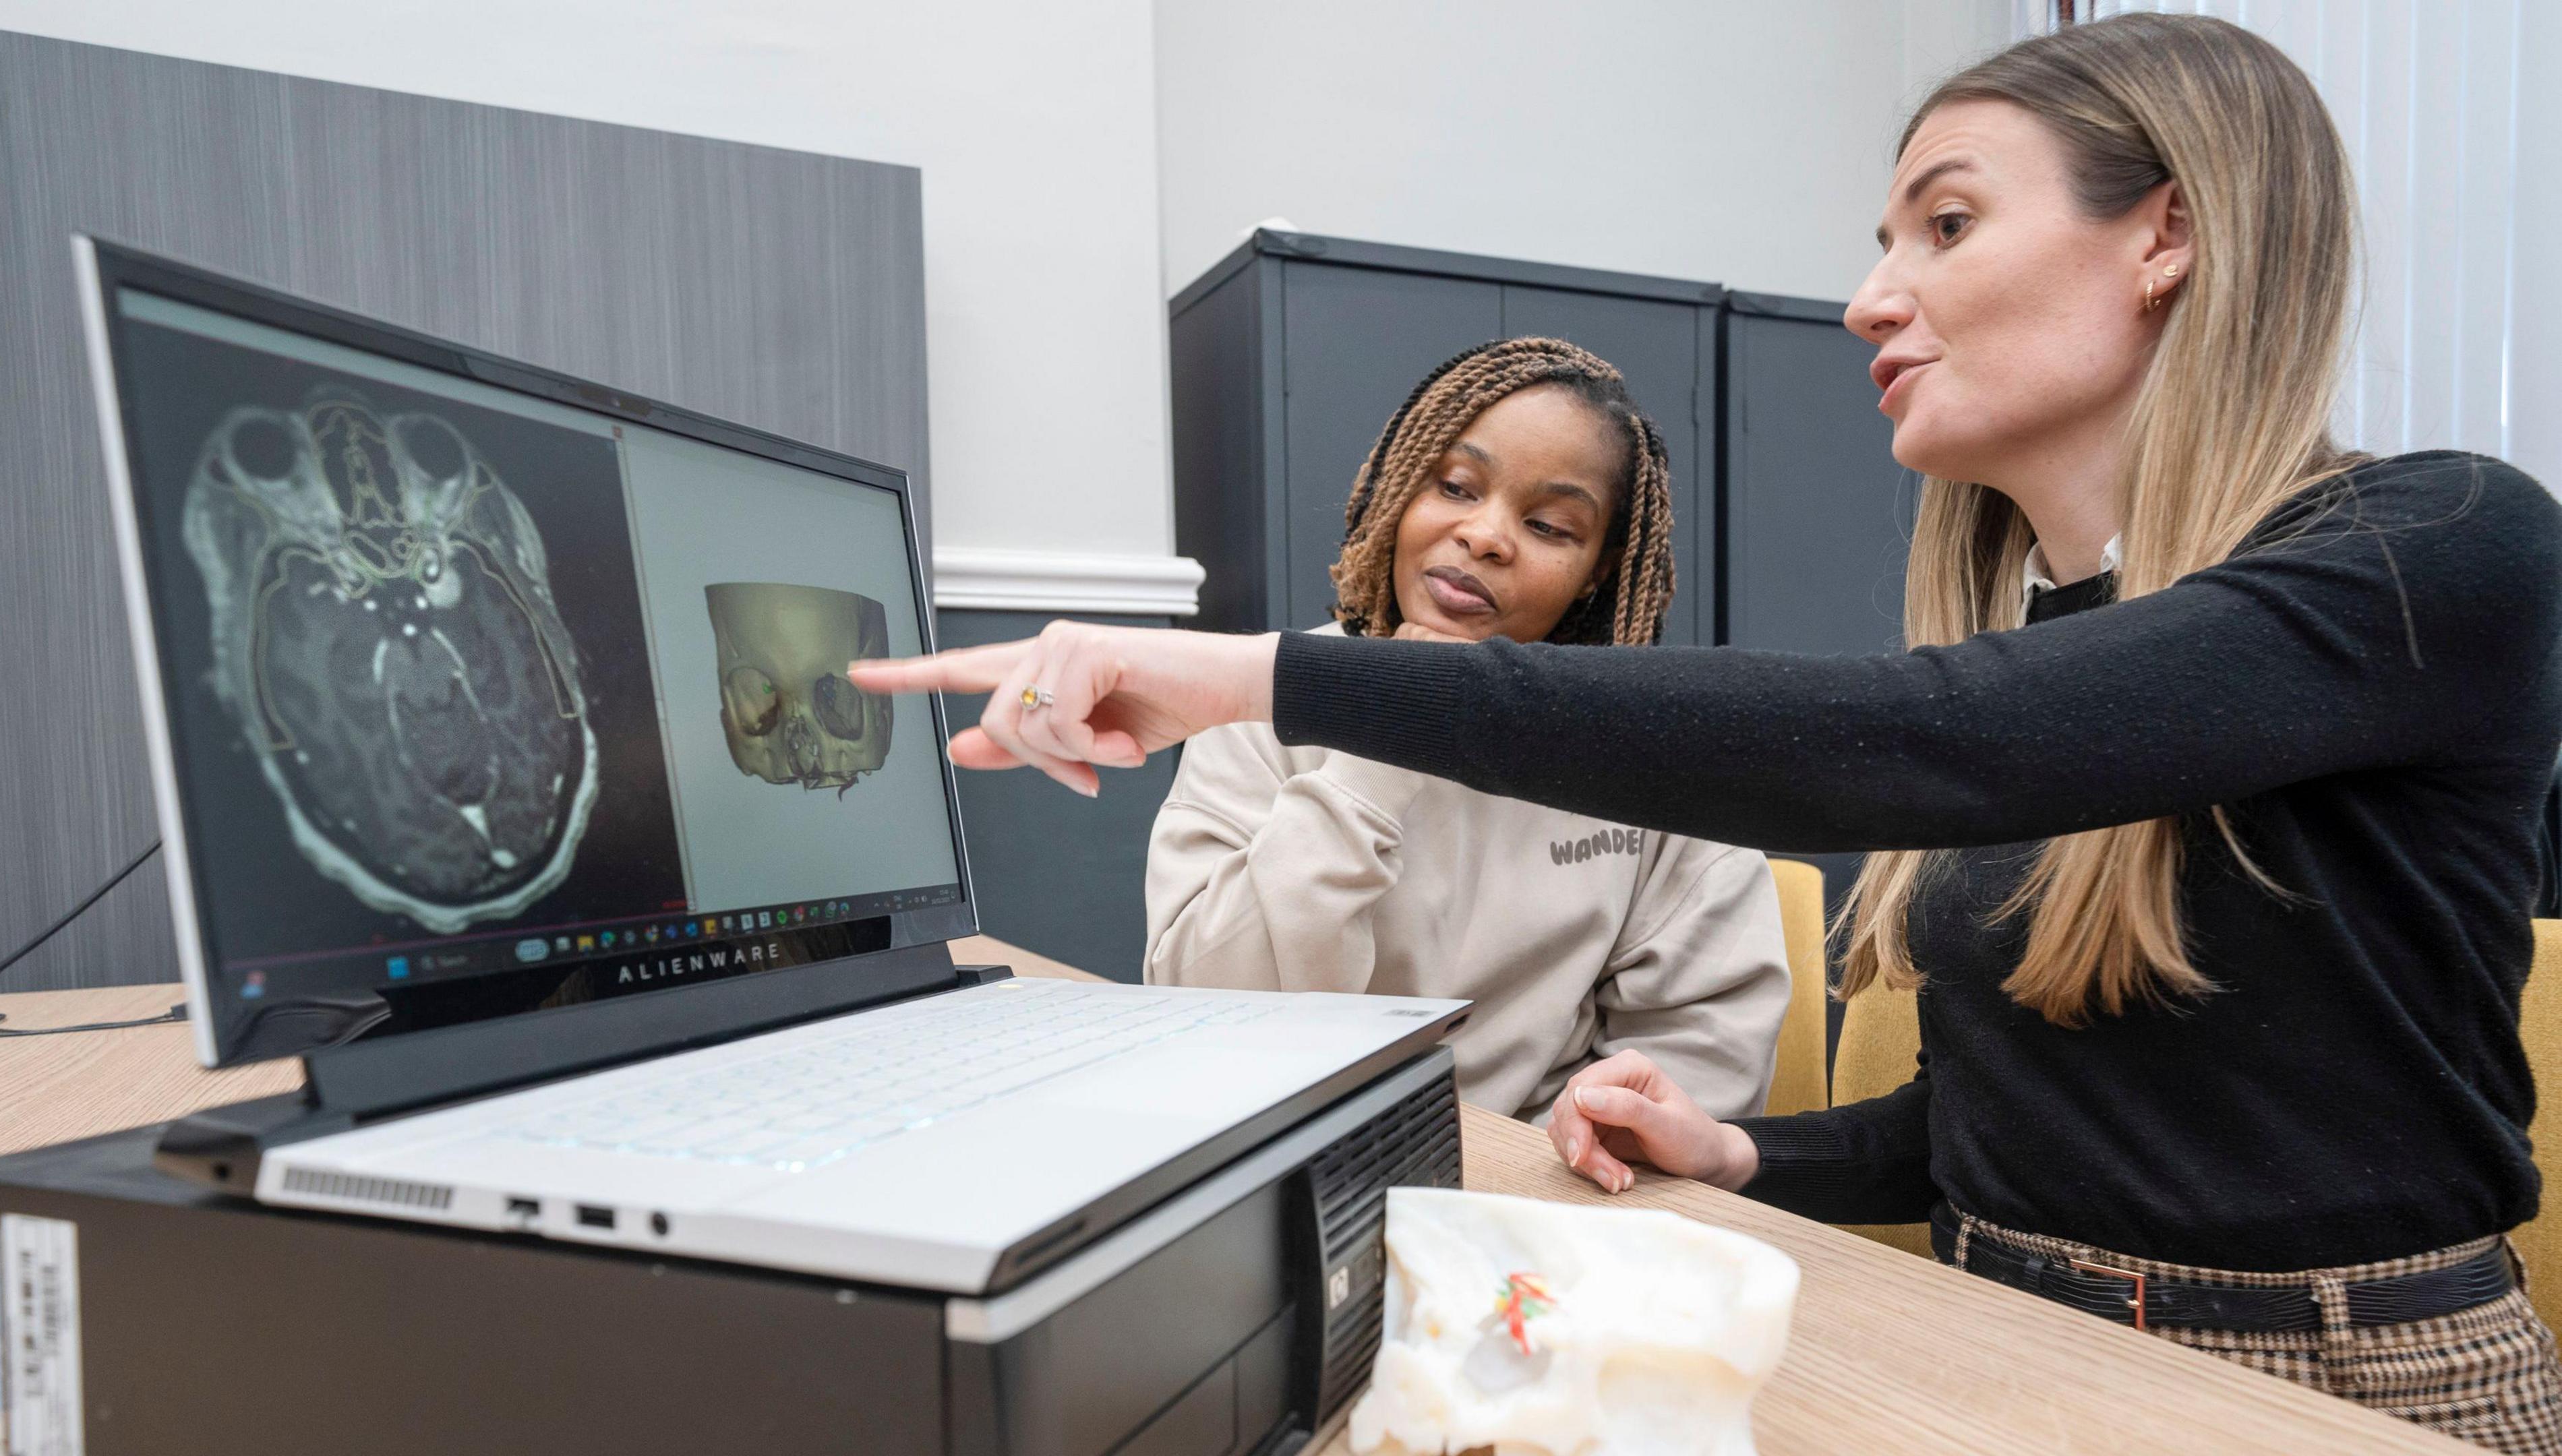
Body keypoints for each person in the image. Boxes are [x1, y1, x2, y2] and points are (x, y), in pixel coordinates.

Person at [854, 13, 2562, 1450]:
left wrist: (1263, 673)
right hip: (1991, 1318)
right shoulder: (2038, 640)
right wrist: (1747, 1150)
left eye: (1941, 226)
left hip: (2340, 1377)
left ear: (2165, 233)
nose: (1868, 300)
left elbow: (1927, 744)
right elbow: (2016, 1135)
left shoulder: (2439, 543)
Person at [1143, 338, 1789, 1122]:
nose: (1486, 535)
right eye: (1455, 485)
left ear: (1598, 567)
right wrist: (1380, 749)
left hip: (1543, 1204)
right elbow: (1206, 1008)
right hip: (1284, 1160)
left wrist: (1530, 1182)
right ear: (1398, 486)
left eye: (1550, 525)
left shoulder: (1649, 741)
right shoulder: (1263, 704)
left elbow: (1700, 1061)